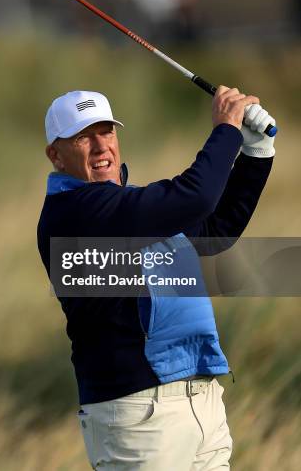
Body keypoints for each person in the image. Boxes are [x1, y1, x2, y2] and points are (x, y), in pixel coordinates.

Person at [37, 88, 275, 470]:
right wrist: (227, 130)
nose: (101, 147)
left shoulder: (128, 208)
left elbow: (214, 230)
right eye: (84, 137)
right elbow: (195, 197)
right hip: (139, 417)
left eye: (107, 132)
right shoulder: (75, 212)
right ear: (55, 155)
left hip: (201, 405)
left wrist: (256, 154)